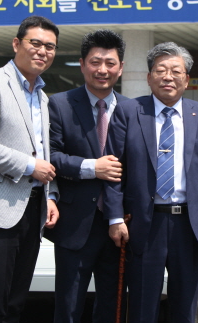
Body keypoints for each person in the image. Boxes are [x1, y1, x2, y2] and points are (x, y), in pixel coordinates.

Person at [104, 42, 198, 323]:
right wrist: (114, 217)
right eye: (160, 70)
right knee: (142, 306)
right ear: (149, 78)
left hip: (189, 224)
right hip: (143, 223)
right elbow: (114, 169)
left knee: (185, 307)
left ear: (187, 79)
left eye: (176, 71)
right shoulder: (129, 111)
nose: (168, 77)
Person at [0, 16, 60, 323]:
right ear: (17, 44)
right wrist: (30, 166)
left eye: (50, 47)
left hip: (33, 208)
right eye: (36, 43)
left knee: (16, 305)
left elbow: (42, 151)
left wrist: (50, 195)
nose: (42, 51)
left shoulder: (42, 96)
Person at [47, 30, 128, 323]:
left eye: (110, 63)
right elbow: (51, 156)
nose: (102, 70)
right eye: (95, 62)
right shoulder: (60, 104)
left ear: (121, 67)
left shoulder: (133, 110)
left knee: (112, 305)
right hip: (75, 223)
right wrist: (93, 167)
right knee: (69, 306)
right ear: (82, 65)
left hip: (121, 225)